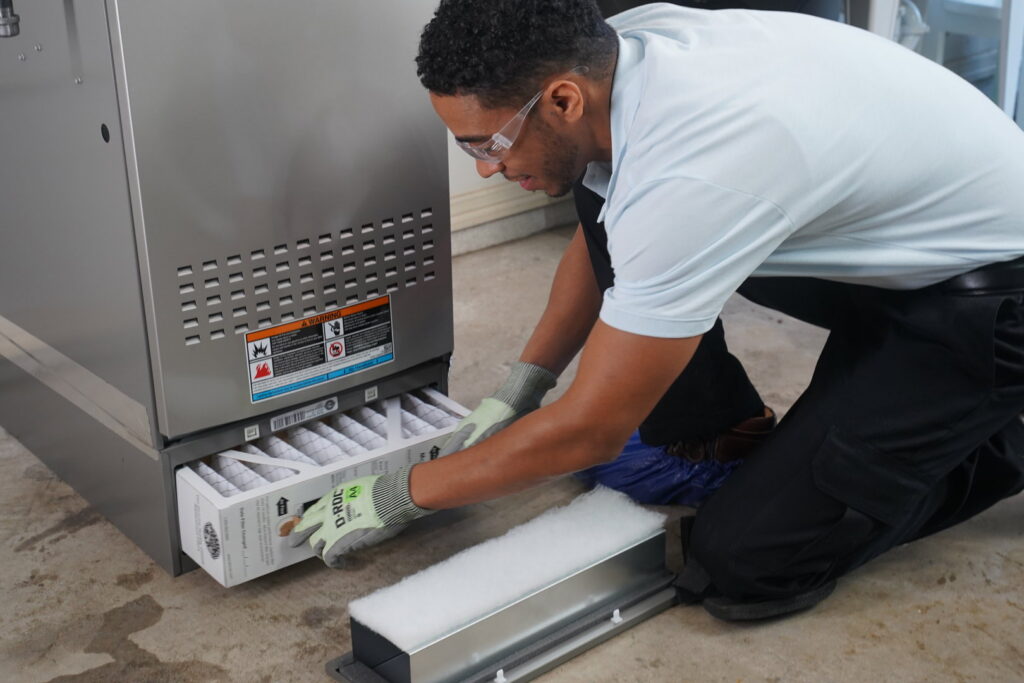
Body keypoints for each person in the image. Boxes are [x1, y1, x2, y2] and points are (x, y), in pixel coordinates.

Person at [289, 0, 1024, 620]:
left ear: (563, 99)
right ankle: (723, 434)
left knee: (741, 560)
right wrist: (525, 385)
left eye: (485, 144)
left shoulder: (696, 172)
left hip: (991, 303)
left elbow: (592, 431)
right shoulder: (623, 50)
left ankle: (1001, 437)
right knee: (578, 175)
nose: (485, 167)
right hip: (894, 241)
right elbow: (608, 224)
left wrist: (398, 494)